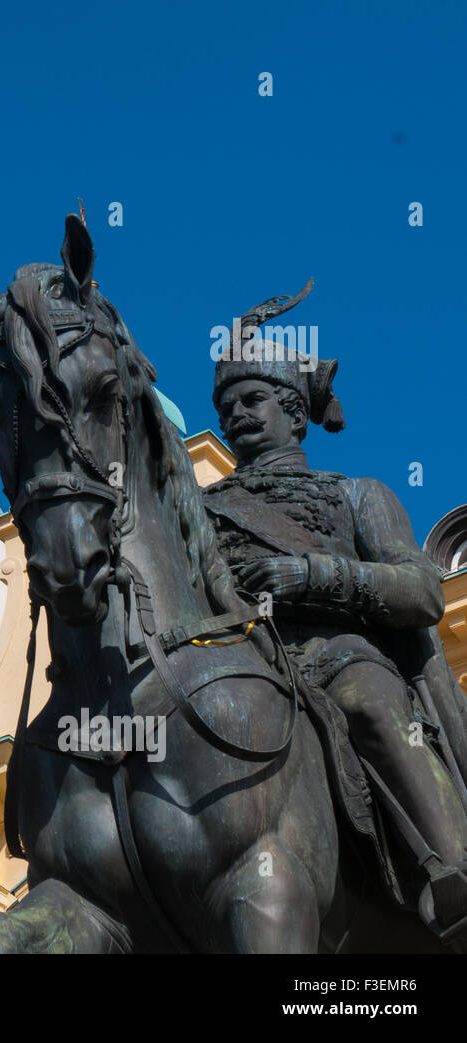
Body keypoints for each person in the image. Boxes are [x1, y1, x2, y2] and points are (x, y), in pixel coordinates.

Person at [203, 297, 467, 942]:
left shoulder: (358, 495)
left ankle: (453, 870)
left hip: (336, 655)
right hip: (242, 664)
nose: (235, 415)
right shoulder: (202, 511)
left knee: (371, 698)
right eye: (226, 408)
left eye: (252, 400)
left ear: (295, 414)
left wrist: (316, 575)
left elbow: (422, 593)